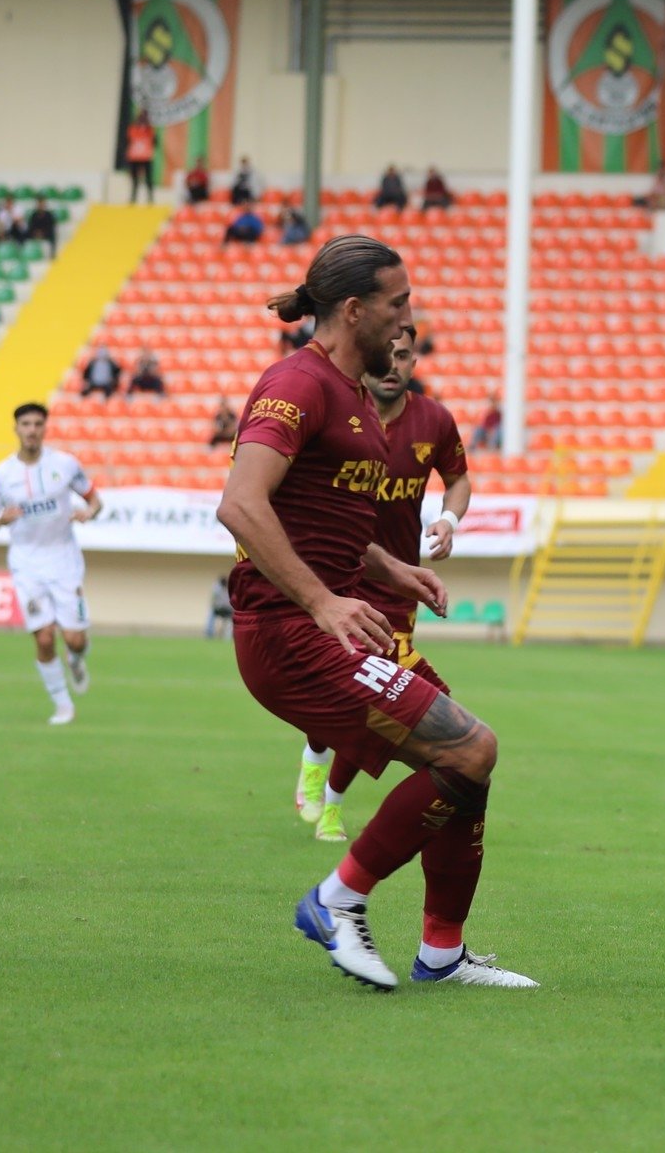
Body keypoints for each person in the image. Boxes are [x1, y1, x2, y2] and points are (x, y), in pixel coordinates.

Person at [219, 235, 534, 990]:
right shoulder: (296, 384)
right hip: (288, 635)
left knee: (464, 766)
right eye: (397, 304)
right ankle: (337, 899)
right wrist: (322, 599)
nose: (407, 318)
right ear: (355, 309)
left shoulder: (357, 395)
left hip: (333, 626)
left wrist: (394, 568)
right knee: (470, 749)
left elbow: (324, 526)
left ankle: (441, 954)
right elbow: (240, 505)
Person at [292, 325, 480, 866]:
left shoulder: (434, 420)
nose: (395, 364)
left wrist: (448, 518)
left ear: (415, 359)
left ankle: (325, 788)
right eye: (388, 354)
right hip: (340, 578)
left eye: (405, 354)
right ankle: (321, 774)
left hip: (398, 589)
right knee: (359, 696)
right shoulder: (338, 414)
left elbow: (459, 478)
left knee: (368, 698)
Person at [0, 403, 102, 723]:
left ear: (45, 428)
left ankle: (76, 659)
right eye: (25, 424)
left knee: (75, 639)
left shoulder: (65, 464)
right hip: (26, 563)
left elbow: (94, 499)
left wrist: (89, 513)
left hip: (64, 560)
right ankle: (63, 705)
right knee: (44, 636)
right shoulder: (1, 475)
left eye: (37, 424)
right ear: (16, 429)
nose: (31, 430)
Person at [125, 113, 156, 202]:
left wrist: (147, 129)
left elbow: (155, 143)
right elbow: (128, 141)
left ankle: (150, 199)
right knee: (134, 180)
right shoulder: (133, 129)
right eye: (141, 119)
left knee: (148, 179)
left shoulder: (150, 130)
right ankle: (133, 198)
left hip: (146, 157)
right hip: (134, 158)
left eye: (144, 119)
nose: (142, 121)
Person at [207, 576, 234, 640]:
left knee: (230, 619)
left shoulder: (228, 589)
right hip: (220, 610)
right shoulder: (218, 589)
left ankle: (227, 636)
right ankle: (210, 633)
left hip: (226, 610)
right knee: (211, 613)